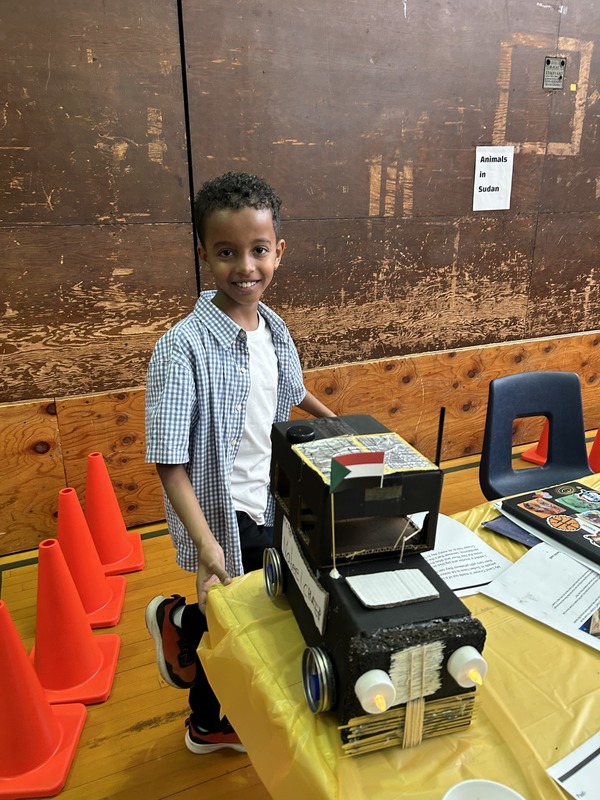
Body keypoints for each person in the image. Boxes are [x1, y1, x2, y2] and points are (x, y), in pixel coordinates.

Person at [144, 171, 335, 755]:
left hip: (273, 496)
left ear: (278, 251)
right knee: (241, 614)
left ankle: (181, 624)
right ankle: (205, 722)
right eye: (227, 253)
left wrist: (344, 430)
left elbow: (292, 391)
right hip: (224, 515)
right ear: (205, 255)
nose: (245, 267)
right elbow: (169, 464)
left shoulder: (273, 328)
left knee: (255, 604)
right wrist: (207, 546)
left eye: (257, 251)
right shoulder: (182, 348)